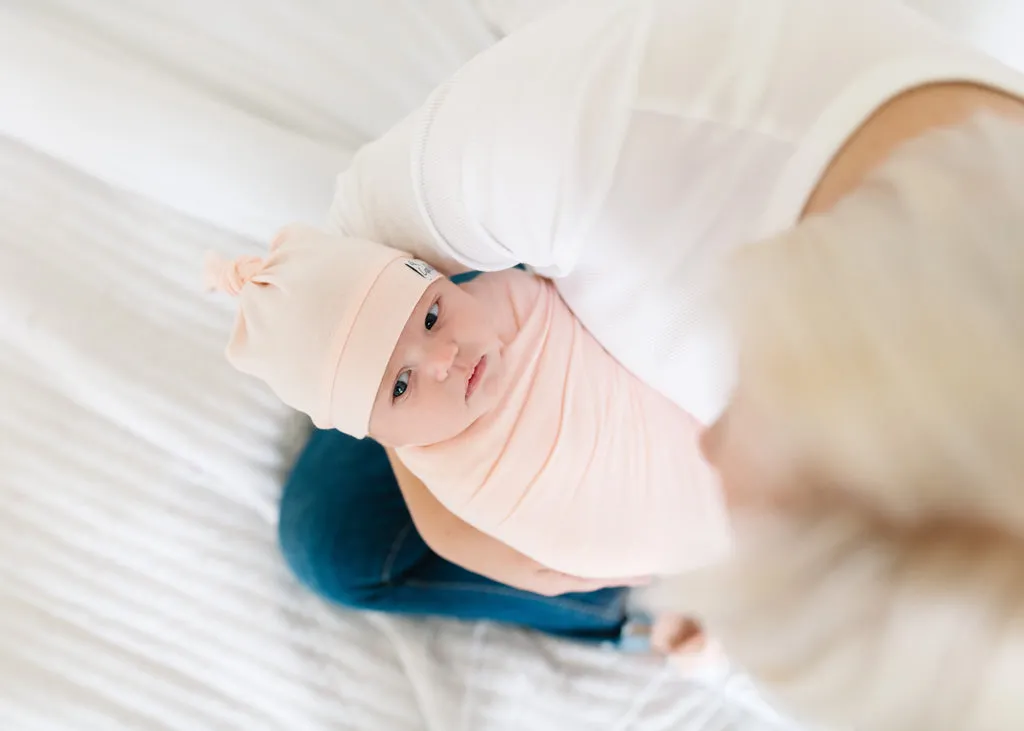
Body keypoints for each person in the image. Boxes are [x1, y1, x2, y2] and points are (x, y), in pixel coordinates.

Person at [279, 0, 1024, 656]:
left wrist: (705, 586)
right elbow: (354, 268)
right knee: (338, 529)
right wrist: (449, 502)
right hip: (535, 265)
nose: (721, 458)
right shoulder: (575, 138)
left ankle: (640, 622)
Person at [205, 224, 728, 581]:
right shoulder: (448, 464)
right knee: (328, 545)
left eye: (433, 317)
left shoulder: (507, 284)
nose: (445, 358)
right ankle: (634, 625)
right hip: (654, 537)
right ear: (384, 438)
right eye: (403, 383)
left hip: (694, 455)